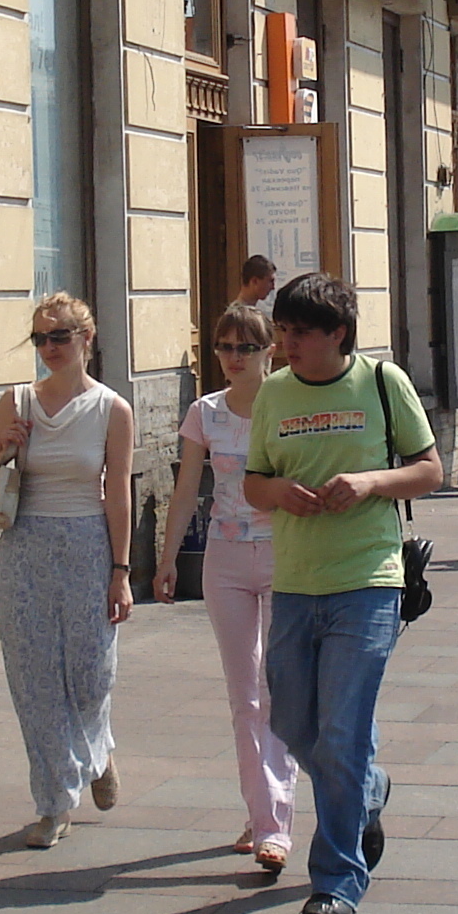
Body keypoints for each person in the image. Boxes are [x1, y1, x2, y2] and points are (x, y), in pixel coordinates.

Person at [244, 272, 443, 914]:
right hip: (297, 583)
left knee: (343, 728)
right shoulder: (273, 393)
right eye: (282, 331)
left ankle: (335, 877)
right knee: (294, 721)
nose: (286, 344)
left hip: (368, 579)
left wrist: (368, 482)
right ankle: (368, 789)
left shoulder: (384, 385)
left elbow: (430, 469)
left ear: (338, 334)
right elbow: (253, 480)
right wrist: (276, 494)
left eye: (299, 333)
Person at [0, 292, 135, 848]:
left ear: (87, 339)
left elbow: (118, 495)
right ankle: (55, 800)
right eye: (40, 339)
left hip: (88, 544)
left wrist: (121, 570)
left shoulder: (112, 409)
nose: (49, 348)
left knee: (91, 675)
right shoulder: (18, 401)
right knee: (35, 680)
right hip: (26, 547)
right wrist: (4, 449)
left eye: (59, 336)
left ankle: (98, 750)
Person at [157, 302, 293, 874]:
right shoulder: (205, 413)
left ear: (270, 351)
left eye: (245, 348)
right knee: (244, 697)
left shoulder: (289, 403)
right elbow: (187, 489)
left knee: (278, 689)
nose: (233, 359)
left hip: (289, 556)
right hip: (226, 559)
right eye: (224, 348)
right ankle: (262, 815)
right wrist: (163, 562)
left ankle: (273, 823)